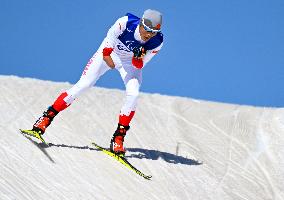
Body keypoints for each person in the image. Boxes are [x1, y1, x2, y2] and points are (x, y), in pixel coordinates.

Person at [27, 9, 163, 156]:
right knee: (84, 85)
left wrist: (137, 58)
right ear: (141, 23)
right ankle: (46, 118)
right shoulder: (125, 23)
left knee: (134, 94)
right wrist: (108, 59)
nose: (149, 34)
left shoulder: (157, 42)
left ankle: (118, 137)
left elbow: (140, 65)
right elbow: (108, 44)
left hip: (128, 62)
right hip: (109, 53)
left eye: (153, 32)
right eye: (147, 29)